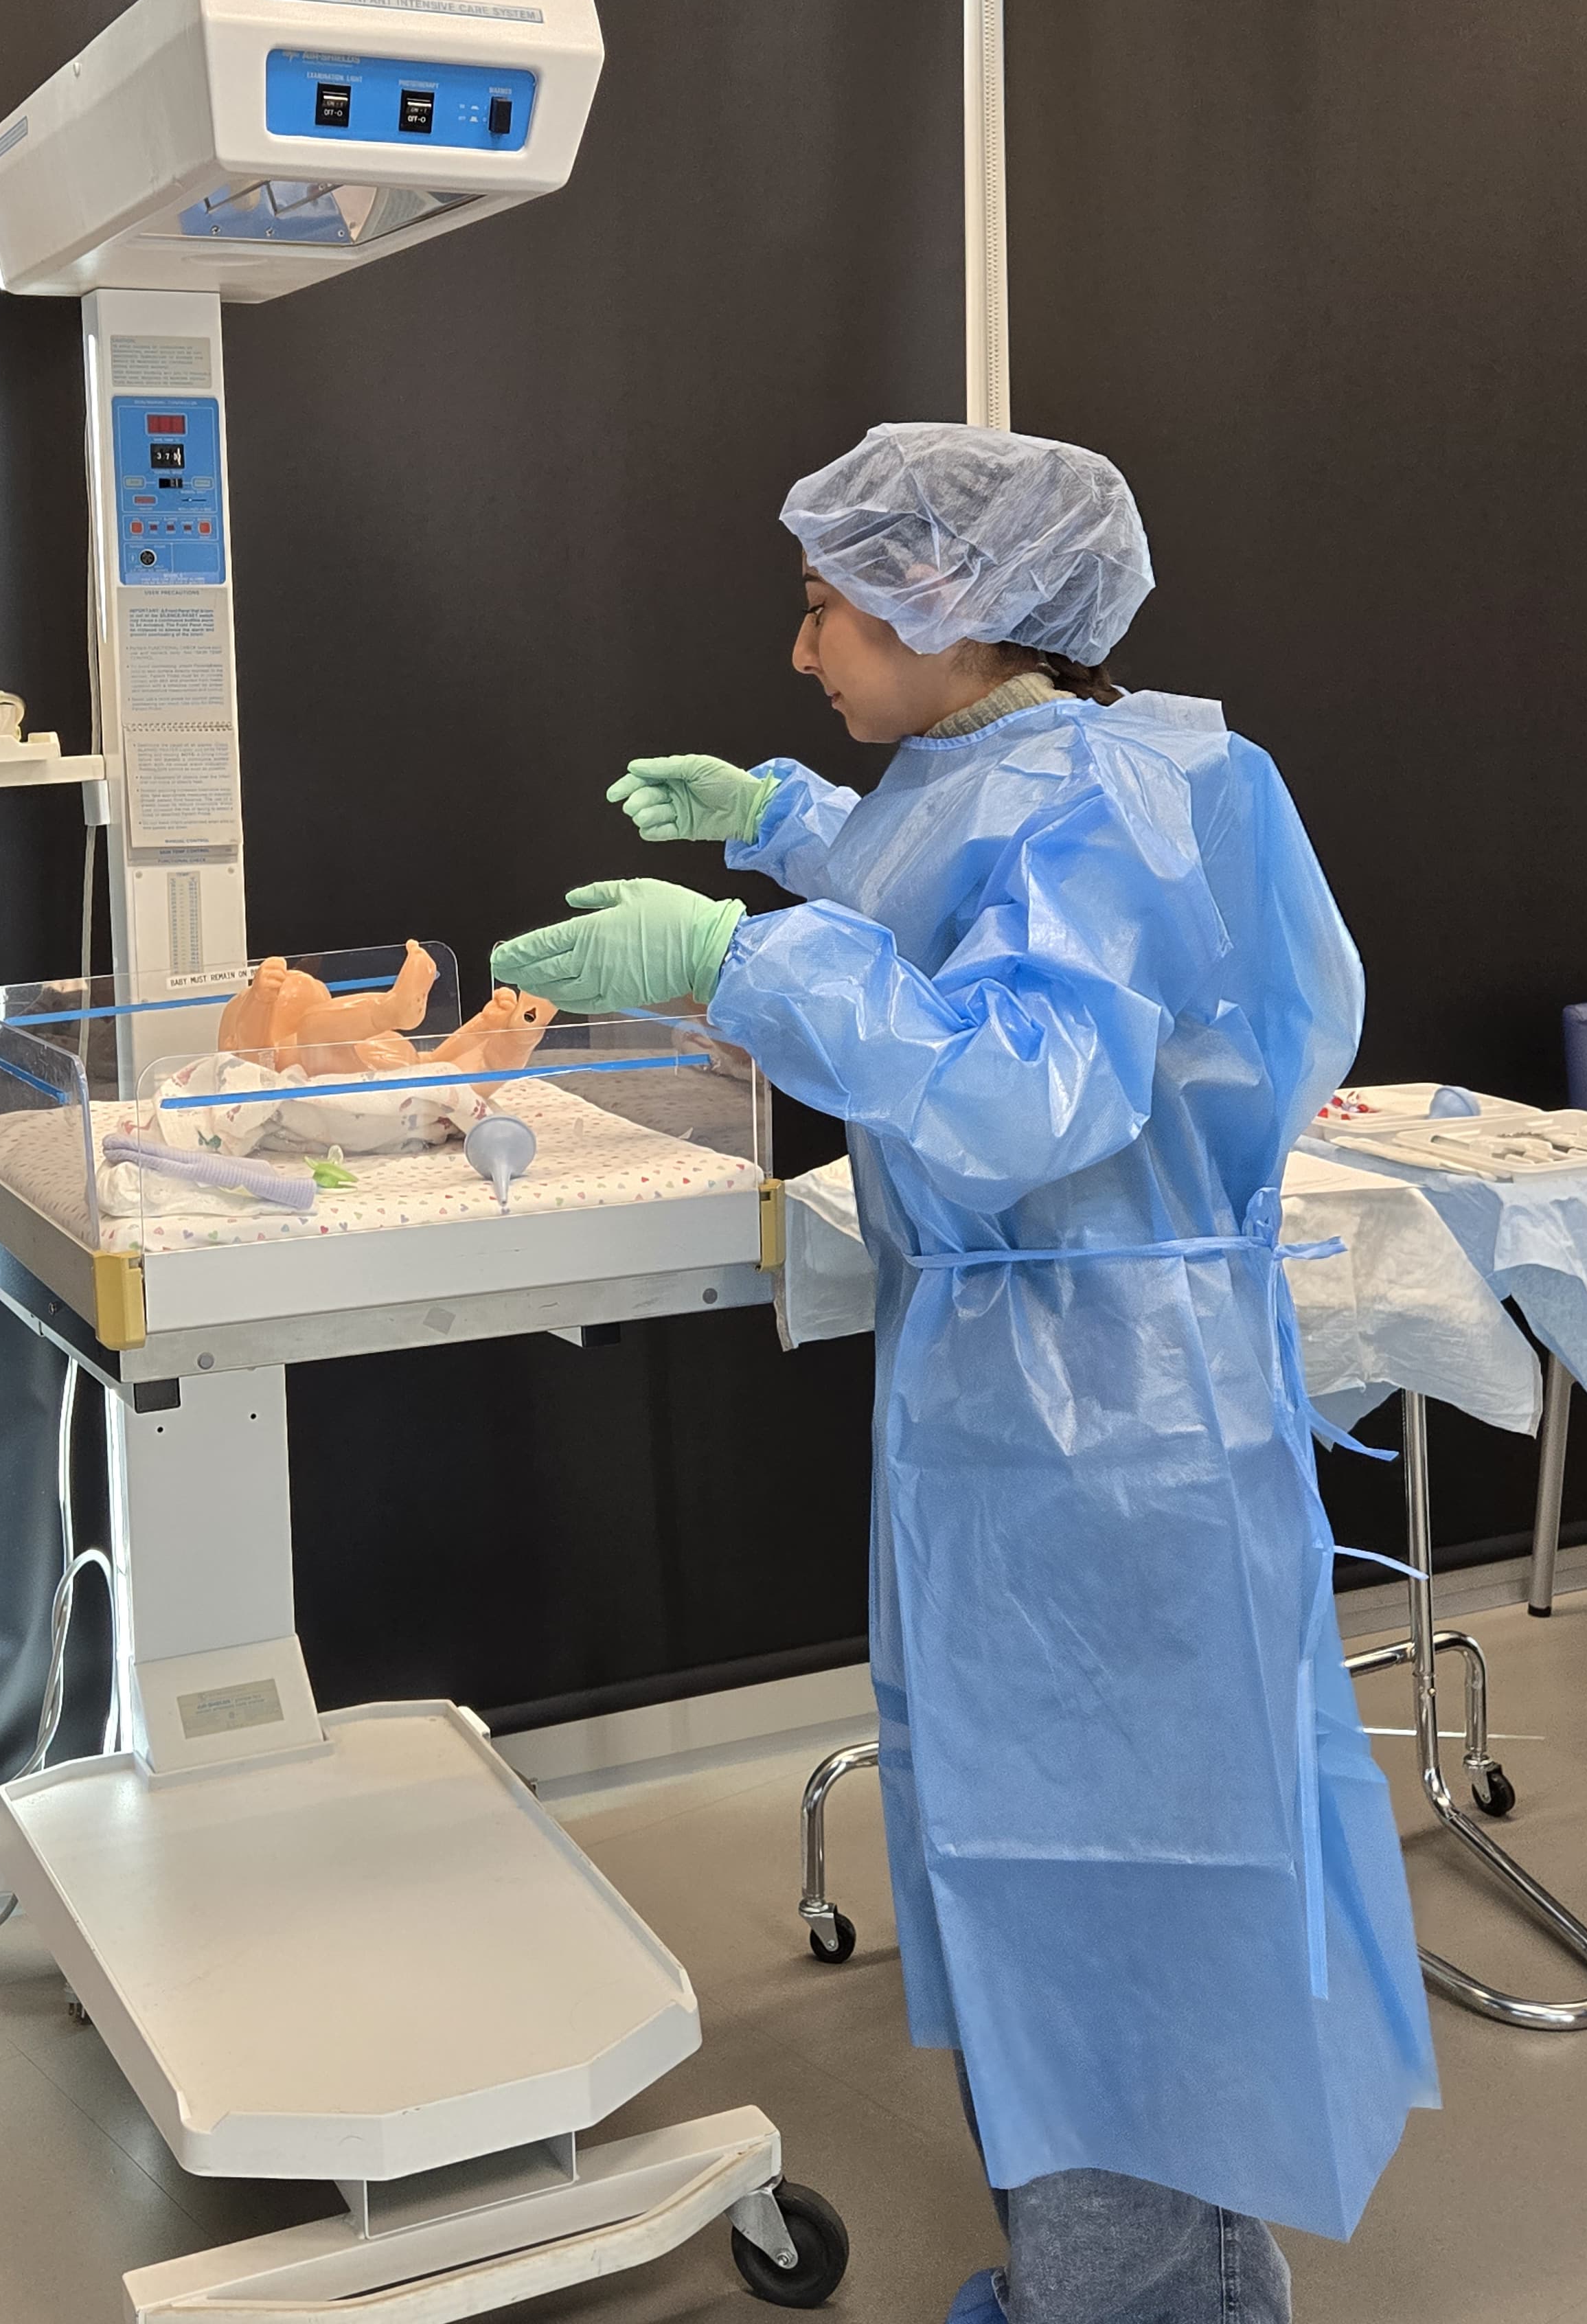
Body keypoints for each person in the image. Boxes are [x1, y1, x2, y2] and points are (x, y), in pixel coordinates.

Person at [492, 423, 1437, 2324]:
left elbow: (1022, 1081)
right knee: (1026, 1873)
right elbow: (957, 890)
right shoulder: (1017, 767)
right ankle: (1123, 2282)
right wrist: (775, 822)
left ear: (958, 608)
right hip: (1027, 1414)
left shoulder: (1114, 797)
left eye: (827, 605)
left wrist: (735, 966)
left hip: (1118, 1437)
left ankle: (1149, 2306)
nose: (802, 648)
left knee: (1116, 1897)